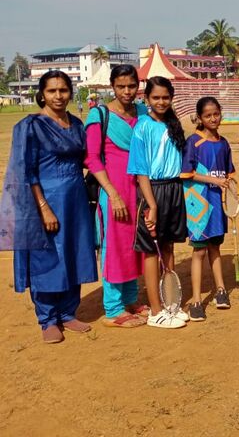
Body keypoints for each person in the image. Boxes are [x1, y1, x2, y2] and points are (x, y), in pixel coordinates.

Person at [2, 71, 97, 343]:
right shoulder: (30, 127)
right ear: (42, 94)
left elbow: (88, 160)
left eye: (63, 90)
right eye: (52, 91)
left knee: (73, 251)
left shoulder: (77, 124)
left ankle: (68, 313)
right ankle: (47, 319)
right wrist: (43, 207)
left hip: (75, 201)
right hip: (44, 200)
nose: (58, 96)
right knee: (47, 257)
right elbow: (27, 171)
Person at [85, 64, 148, 329]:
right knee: (114, 246)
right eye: (121, 86)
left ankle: (131, 299)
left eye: (131, 86)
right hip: (114, 190)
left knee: (135, 245)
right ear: (112, 86)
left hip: (140, 189)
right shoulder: (99, 116)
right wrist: (112, 194)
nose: (126, 91)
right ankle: (113, 309)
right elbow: (91, 158)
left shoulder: (143, 112)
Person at [128, 76, 189, 328]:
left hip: (174, 190)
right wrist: (151, 205)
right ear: (147, 99)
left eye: (165, 97)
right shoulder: (142, 125)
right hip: (152, 192)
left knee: (168, 248)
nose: (161, 102)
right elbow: (140, 171)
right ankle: (155, 311)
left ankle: (171, 303)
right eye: (156, 98)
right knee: (151, 252)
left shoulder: (174, 124)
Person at [181, 97, 235, 321]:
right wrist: (212, 180)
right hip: (199, 205)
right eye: (208, 115)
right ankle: (196, 299)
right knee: (199, 251)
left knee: (215, 248)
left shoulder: (223, 143)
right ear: (200, 118)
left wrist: (233, 193)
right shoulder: (193, 141)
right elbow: (186, 173)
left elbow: (229, 174)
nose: (213, 118)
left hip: (217, 204)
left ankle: (221, 290)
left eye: (216, 114)